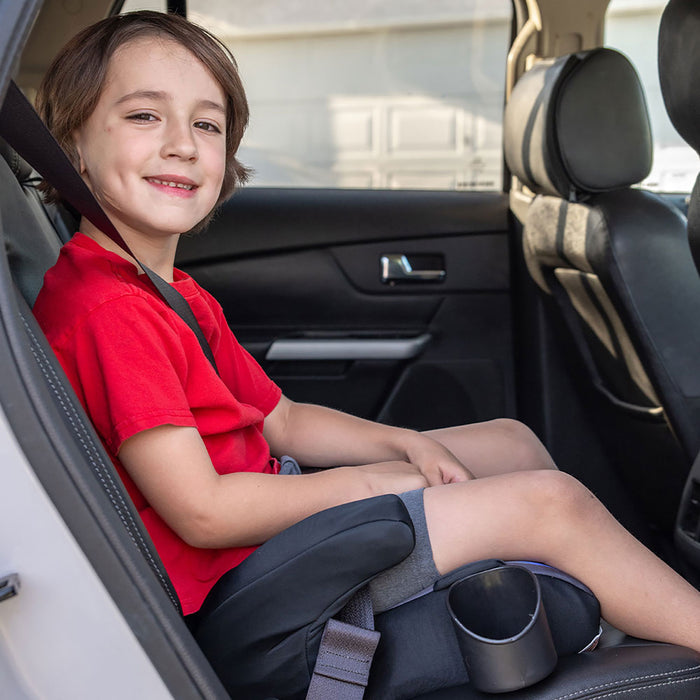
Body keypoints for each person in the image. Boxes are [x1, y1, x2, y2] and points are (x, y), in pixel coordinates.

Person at [32, 10, 700, 655]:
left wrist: (399, 445)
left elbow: (282, 420)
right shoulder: (110, 311)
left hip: (267, 543)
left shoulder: (167, 291)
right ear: (73, 146)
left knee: (510, 442)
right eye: (144, 115)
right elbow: (203, 513)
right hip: (250, 592)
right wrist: (374, 485)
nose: (182, 142)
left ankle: (611, 612)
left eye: (207, 124)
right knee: (550, 504)